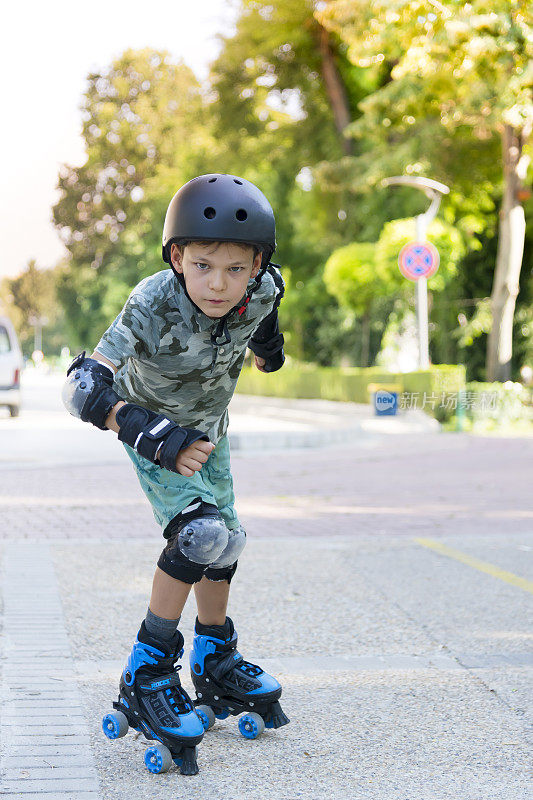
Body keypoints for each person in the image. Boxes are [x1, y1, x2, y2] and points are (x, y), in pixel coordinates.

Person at [62, 174, 289, 777]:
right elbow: (80, 383)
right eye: (203, 264)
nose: (218, 283)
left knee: (227, 544)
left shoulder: (263, 289)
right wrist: (138, 427)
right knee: (200, 536)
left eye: (235, 269)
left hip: (210, 432)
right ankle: (148, 668)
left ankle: (214, 655)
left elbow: (262, 318)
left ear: (257, 266)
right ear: (176, 258)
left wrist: (268, 349)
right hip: (153, 430)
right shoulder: (152, 302)